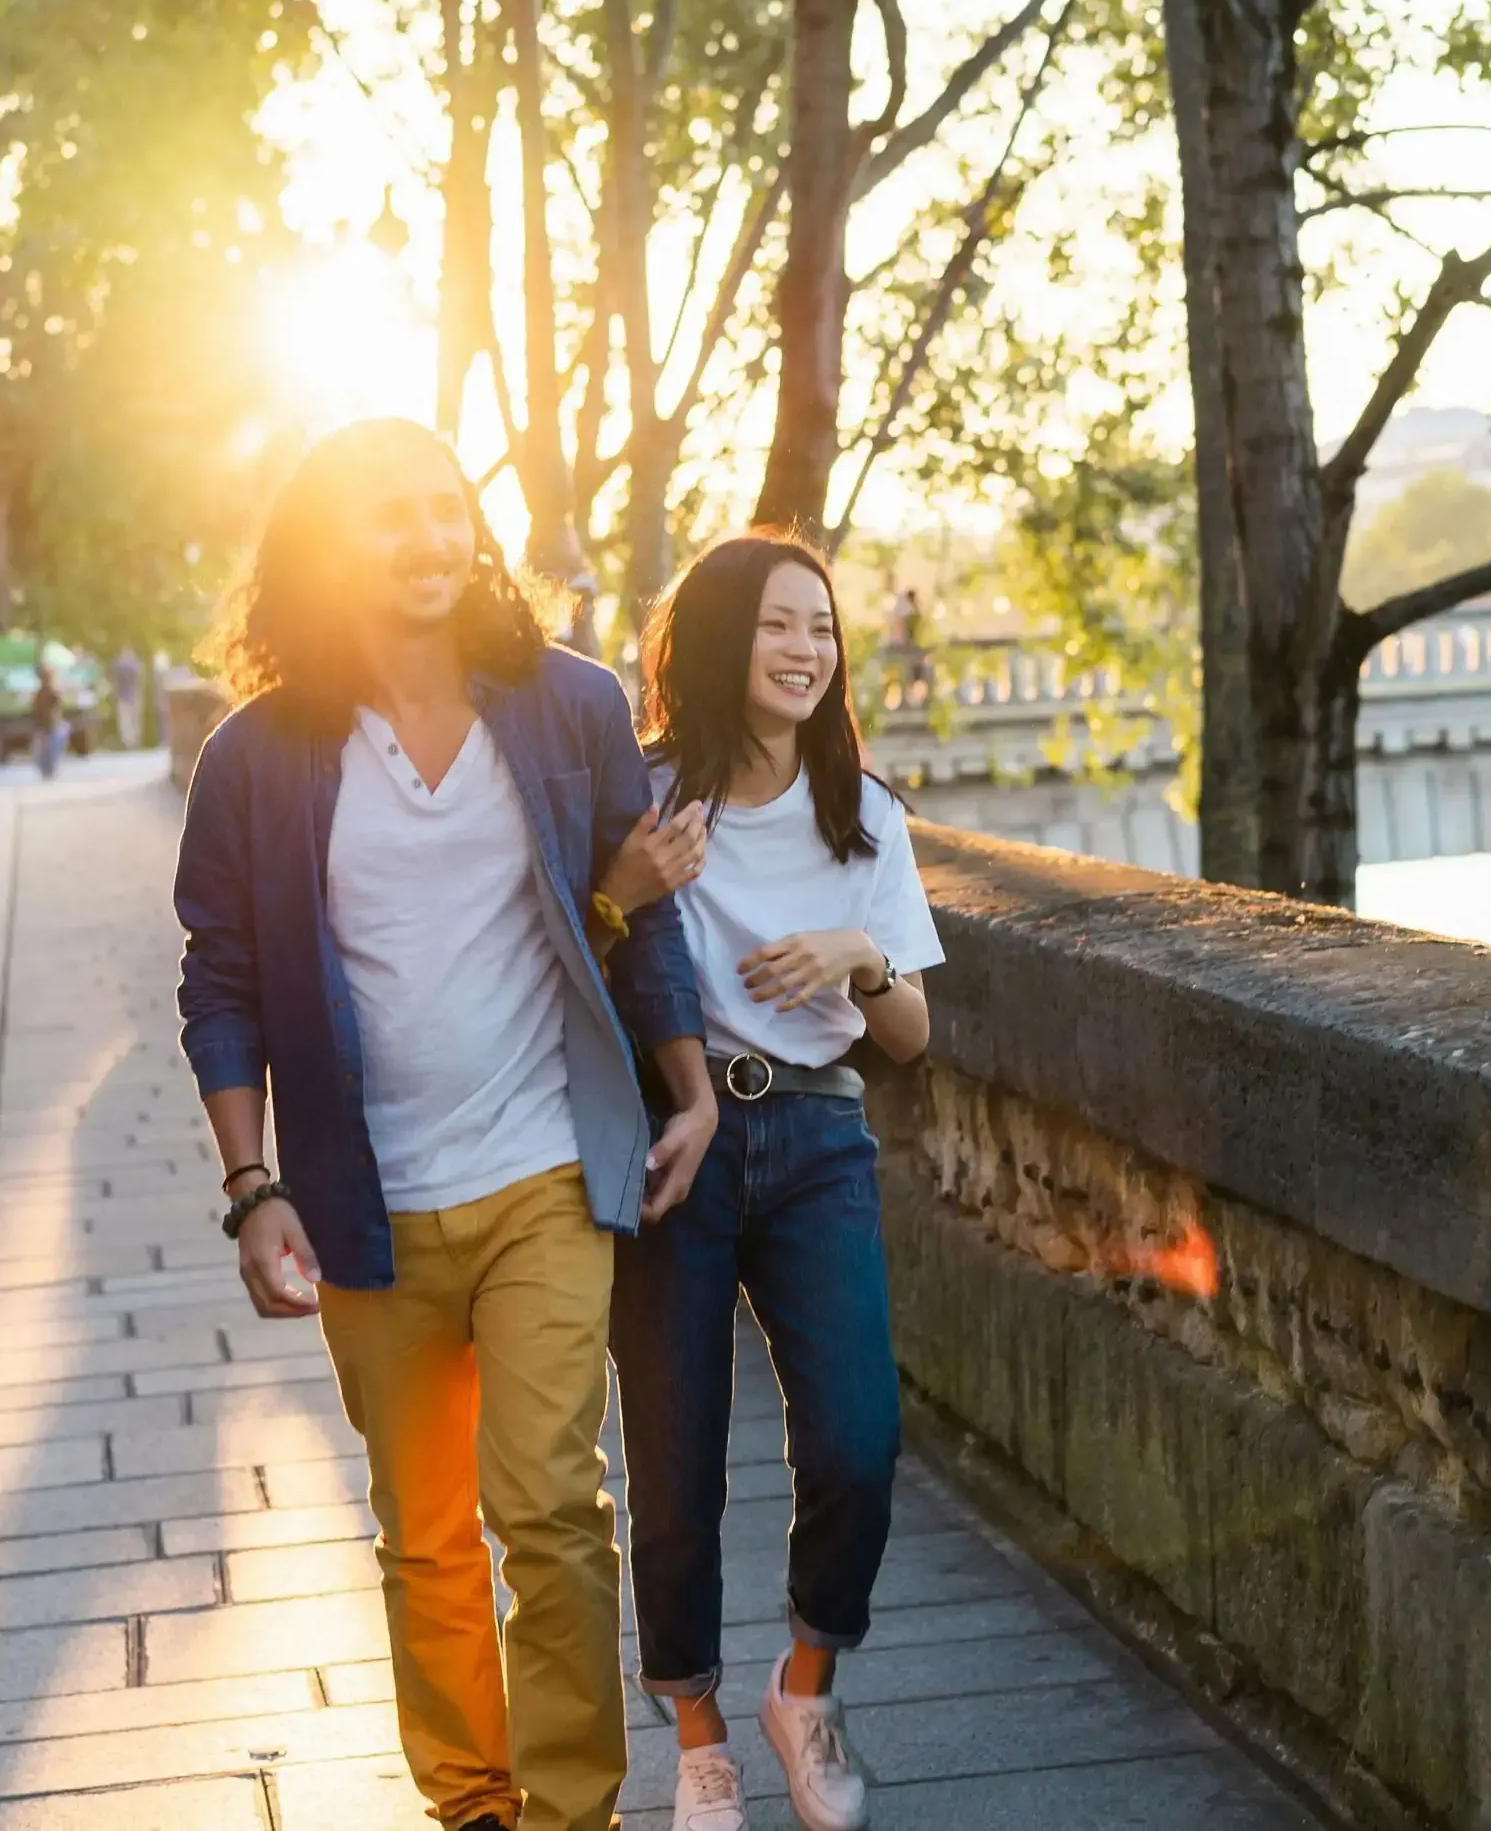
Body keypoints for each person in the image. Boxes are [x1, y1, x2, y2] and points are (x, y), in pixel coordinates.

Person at [174, 417, 718, 1831]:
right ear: (324, 553)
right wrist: (254, 1186)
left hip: (544, 1165)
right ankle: (471, 1804)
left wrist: (692, 1080)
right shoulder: (255, 759)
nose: (427, 538)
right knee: (423, 1540)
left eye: (445, 508)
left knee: (548, 1509)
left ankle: (572, 1812)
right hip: (366, 1203)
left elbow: (634, 903)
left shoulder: (569, 707)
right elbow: (220, 982)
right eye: (387, 516)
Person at [595, 532, 941, 1831]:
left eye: (823, 628)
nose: (806, 651)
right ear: (719, 638)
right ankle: (697, 1738)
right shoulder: (650, 801)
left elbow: (909, 1038)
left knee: (859, 1436)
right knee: (675, 1465)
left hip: (816, 1141)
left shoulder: (867, 815)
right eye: (778, 626)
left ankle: (807, 1688)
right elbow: (576, 951)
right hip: (675, 1145)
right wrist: (627, 890)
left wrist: (863, 955)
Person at [29, 663, 66, 779]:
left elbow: (57, 707)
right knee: (43, 750)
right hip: (43, 726)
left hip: (51, 725)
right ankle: (46, 771)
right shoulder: (40, 693)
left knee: (50, 749)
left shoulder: (51, 692)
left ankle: (49, 770)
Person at [111, 645, 144, 751]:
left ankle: (128, 742)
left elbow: (113, 674)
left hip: (122, 695)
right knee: (134, 719)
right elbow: (140, 675)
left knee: (125, 720)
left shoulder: (118, 664)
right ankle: (134, 741)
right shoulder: (134, 664)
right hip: (133, 694)